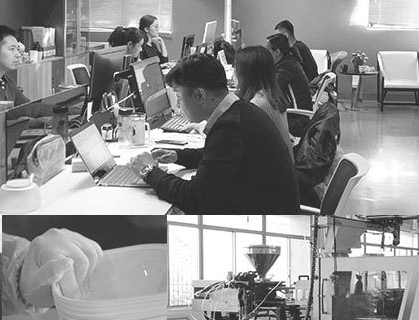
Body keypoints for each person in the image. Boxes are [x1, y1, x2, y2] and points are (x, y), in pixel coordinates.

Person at [126, 54, 300, 213]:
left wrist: (149, 171)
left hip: (264, 222)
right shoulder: (239, 110)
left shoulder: (230, 127)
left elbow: (194, 198)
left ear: (200, 95)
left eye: (179, 98)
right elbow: (218, 156)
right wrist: (178, 156)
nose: (178, 105)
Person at [234, 45, 293, 161]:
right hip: (284, 164)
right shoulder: (269, 94)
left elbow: (238, 141)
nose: (233, 75)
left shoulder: (258, 104)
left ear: (245, 75)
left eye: (236, 71)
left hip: (274, 168)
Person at [266, 32, 312, 135]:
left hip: (297, 118)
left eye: (267, 50)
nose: (265, 53)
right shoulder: (288, 62)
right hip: (295, 113)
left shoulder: (286, 68)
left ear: (277, 52)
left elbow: (270, 89)